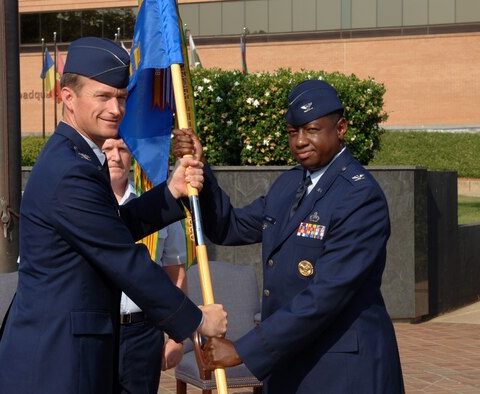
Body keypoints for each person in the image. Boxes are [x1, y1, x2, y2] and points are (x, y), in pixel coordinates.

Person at [0, 37, 227, 394]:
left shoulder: (76, 157)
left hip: (64, 351)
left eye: (121, 97)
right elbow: (122, 257)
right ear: (68, 98)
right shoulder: (71, 170)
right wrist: (195, 320)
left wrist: (171, 193)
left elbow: (109, 229)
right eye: (102, 96)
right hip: (57, 361)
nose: (115, 108)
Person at [173, 80, 404, 393]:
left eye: (311, 130)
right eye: (293, 132)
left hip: (341, 370)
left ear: (341, 128)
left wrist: (243, 350)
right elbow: (231, 227)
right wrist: (201, 170)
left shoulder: (359, 197)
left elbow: (325, 295)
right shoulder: (289, 185)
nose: (299, 141)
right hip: (292, 362)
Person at [102, 137, 188, 393]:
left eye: (122, 149)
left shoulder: (159, 206)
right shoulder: (83, 207)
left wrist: (177, 336)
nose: (115, 156)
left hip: (142, 333)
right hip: (97, 330)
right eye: (107, 149)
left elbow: (176, 274)